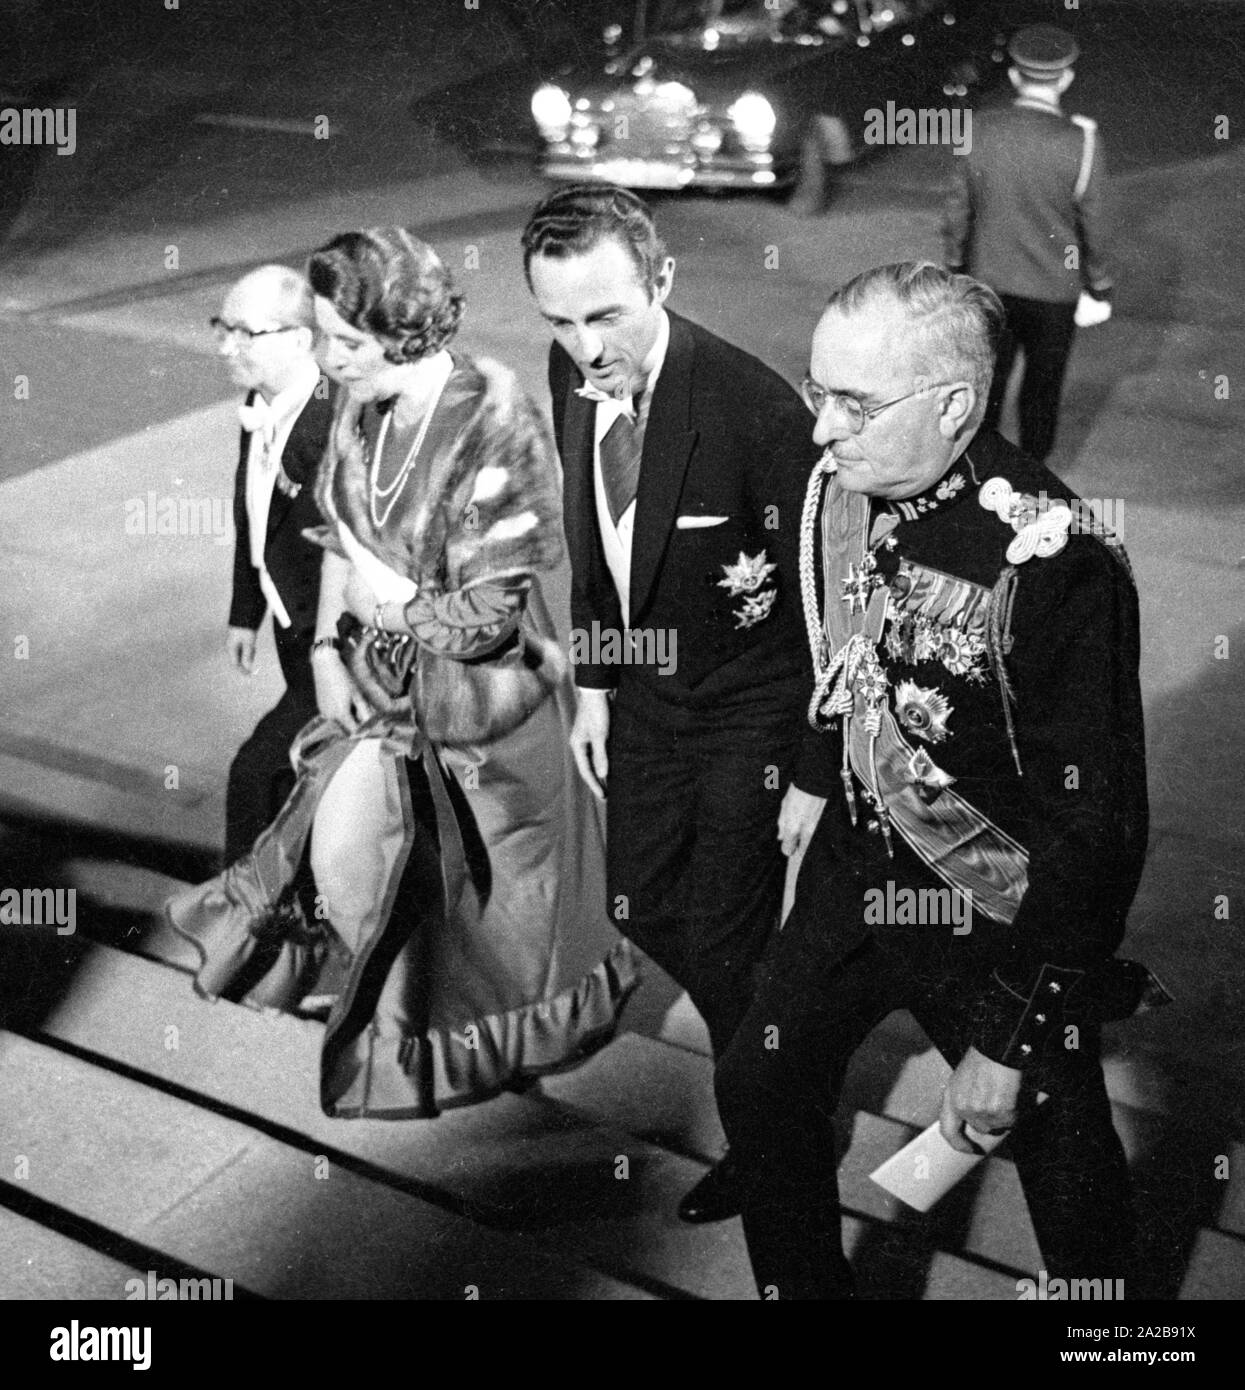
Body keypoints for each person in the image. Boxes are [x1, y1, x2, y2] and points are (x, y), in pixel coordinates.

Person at [715, 261, 1149, 1298]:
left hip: (998, 917)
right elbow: (844, 652)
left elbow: (1098, 828)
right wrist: (822, 770)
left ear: (954, 403)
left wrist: (1011, 1032)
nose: (821, 427)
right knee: (760, 1079)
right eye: (818, 389)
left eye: (853, 403)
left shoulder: (1053, 561)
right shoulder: (848, 485)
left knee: (1062, 1162)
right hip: (858, 868)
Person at [172, 228, 636, 1117]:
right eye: (322, 336)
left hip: (491, 709)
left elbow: (487, 614)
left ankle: (503, 1053)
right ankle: (409, 1025)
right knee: (350, 865)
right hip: (383, 689)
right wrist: (321, 646)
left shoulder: (494, 416)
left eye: (347, 341)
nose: (329, 358)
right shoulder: (358, 399)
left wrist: (384, 608)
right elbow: (339, 535)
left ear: (408, 332)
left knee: (503, 914)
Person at [522, 185, 819, 1222]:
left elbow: (832, 601)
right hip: (644, 696)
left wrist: (817, 767)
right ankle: (789, 1032)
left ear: (663, 281)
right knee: (638, 903)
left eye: (605, 314)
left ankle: (777, 1139)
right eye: (558, 320)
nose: (584, 346)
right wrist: (597, 685)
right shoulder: (573, 376)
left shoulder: (756, 409)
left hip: (752, 707)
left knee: (727, 937)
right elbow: (599, 555)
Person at [942, 23, 1113, 463]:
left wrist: (956, 267)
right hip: (1053, 294)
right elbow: (1095, 225)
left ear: (1016, 77)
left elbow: (958, 211)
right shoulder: (1083, 143)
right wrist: (1099, 287)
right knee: (1043, 386)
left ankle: (982, 472)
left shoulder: (978, 130)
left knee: (987, 385)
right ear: (1066, 78)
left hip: (988, 284)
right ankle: (1032, 475)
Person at [218, 266, 333, 873]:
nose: (226, 346)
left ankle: (241, 913)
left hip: (334, 642)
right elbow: (253, 515)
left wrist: (327, 650)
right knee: (302, 769)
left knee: (256, 771)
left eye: (245, 332)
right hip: (291, 625)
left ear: (299, 339)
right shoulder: (258, 403)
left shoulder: (331, 423)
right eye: (223, 328)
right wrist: (246, 612)